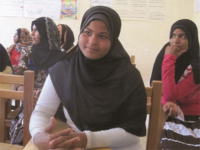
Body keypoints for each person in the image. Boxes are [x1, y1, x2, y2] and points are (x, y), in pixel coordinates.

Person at [29, 6, 147, 150]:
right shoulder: (63, 69)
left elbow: (132, 132)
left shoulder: (129, 77)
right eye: (87, 32)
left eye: (103, 36)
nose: (92, 41)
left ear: (113, 40)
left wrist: (86, 139)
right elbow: (42, 111)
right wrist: (38, 134)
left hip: (121, 146)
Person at [10, 17, 74, 145]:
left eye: (36, 30)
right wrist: (26, 93)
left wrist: (45, 98)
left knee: (57, 130)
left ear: (46, 33)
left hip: (56, 106)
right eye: (32, 30)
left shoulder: (62, 57)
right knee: (26, 125)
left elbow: (66, 86)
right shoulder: (27, 52)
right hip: (30, 102)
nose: (32, 33)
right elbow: (18, 80)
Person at [150, 19, 200, 150]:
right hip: (172, 113)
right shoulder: (164, 53)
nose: (175, 41)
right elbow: (156, 87)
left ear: (192, 40)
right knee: (170, 144)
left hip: (194, 117)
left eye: (183, 36)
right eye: (173, 36)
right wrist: (167, 101)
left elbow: (171, 93)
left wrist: (169, 59)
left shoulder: (197, 65)